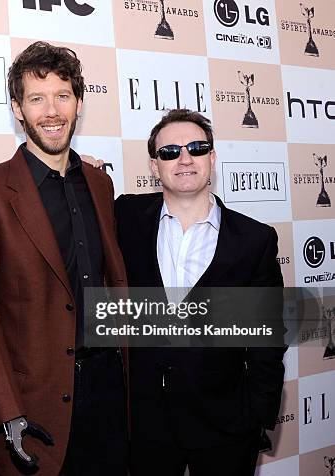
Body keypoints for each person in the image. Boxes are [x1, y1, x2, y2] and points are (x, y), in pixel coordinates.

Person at [0, 41, 128, 476]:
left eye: (62, 96)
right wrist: (7, 409)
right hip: (33, 401)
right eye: (36, 98)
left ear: (79, 103)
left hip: (108, 388)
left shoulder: (100, 183)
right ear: (17, 109)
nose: (51, 111)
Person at [115, 109, 285, 476]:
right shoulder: (124, 217)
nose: (184, 158)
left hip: (226, 425)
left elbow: (268, 341)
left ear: (212, 157)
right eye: (170, 151)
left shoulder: (254, 240)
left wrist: (256, 416)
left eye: (196, 147)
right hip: (145, 425)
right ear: (154, 165)